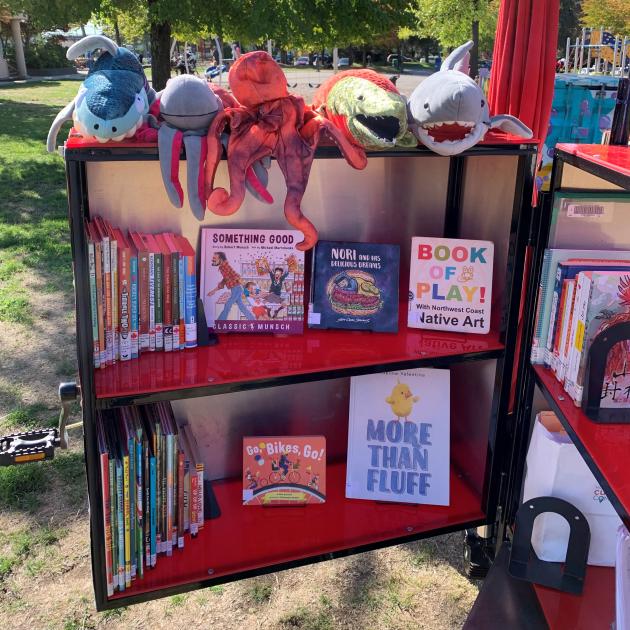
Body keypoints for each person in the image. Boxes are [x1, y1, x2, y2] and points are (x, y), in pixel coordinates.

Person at [207, 252, 255, 320]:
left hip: (237, 289)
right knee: (242, 307)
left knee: (228, 305)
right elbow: (224, 281)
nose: (212, 259)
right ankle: (252, 320)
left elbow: (236, 275)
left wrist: (244, 287)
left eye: (214, 258)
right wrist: (213, 291)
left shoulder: (225, 266)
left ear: (220, 259)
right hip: (235, 289)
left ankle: (221, 321)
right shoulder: (222, 268)